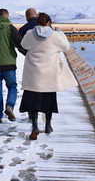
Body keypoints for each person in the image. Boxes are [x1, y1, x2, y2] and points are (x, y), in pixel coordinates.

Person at [19, 12, 77, 140]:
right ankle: (48, 126)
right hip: (50, 75)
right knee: (48, 101)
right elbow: (66, 47)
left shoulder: (30, 34)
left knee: (33, 101)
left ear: (37, 22)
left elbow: (23, 45)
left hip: (33, 75)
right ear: (49, 23)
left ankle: (34, 126)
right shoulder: (55, 36)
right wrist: (61, 33)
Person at [0, 8, 23, 123]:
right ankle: (10, 107)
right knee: (12, 87)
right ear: (7, 16)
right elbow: (19, 43)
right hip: (9, 65)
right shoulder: (10, 28)